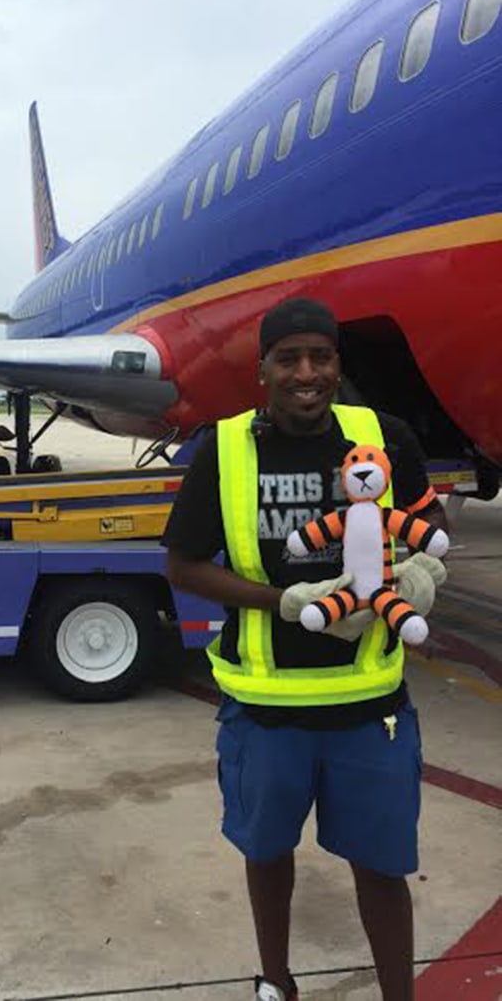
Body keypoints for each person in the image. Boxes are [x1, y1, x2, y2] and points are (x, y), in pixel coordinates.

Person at [162, 298, 448, 1001]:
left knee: (382, 867)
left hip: (369, 705)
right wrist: (281, 602)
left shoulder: (384, 436)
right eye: (289, 358)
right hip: (265, 710)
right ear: (263, 369)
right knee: (267, 855)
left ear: (337, 364)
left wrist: (420, 570)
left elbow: (427, 516)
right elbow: (184, 564)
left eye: (320, 356)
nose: (306, 372)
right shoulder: (224, 448)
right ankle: (277, 983)